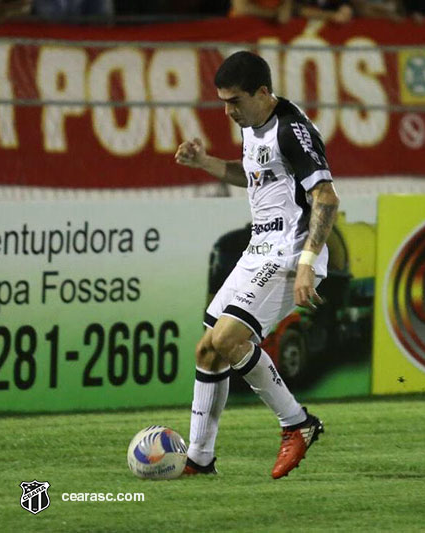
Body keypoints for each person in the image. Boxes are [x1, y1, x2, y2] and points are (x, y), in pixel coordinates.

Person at [174, 50, 340, 479]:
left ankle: (297, 423)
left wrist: (307, 263)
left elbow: (325, 197)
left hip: (291, 249)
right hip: (261, 247)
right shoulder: (253, 124)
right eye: (223, 102)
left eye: (235, 101)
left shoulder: (291, 130)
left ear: (263, 92)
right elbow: (252, 174)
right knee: (208, 349)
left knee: (228, 339)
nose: (228, 111)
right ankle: (199, 459)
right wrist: (205, 162)